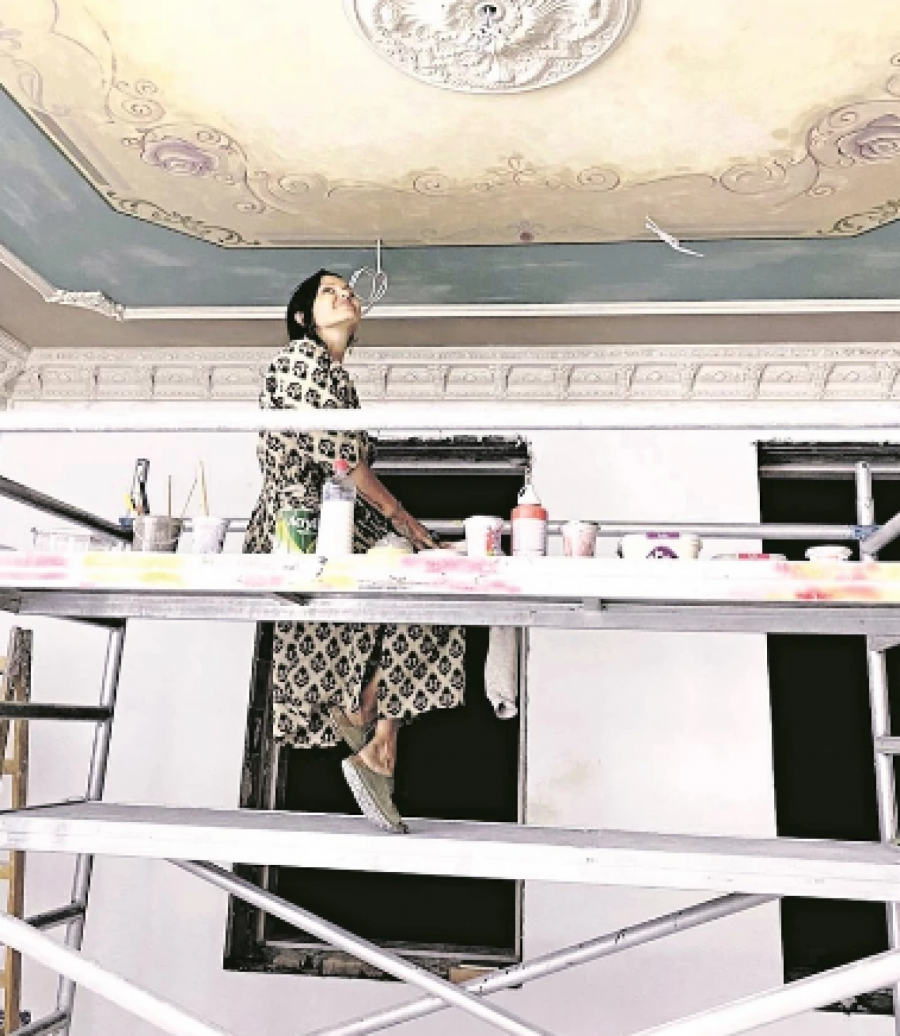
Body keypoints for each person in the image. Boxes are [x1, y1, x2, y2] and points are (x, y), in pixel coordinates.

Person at [244, 270, 465, 833]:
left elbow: (345, 462)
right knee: (428, 580)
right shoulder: (297, 360)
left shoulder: (337, 379)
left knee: (433, 588)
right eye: (329, 291)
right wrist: (402, 519)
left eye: (348, 289)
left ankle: (373, 727)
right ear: (302, 318)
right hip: (302, 524)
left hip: (339, 519)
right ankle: (372, 730)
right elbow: (342, 458)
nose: (345, 294)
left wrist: (408, 531)